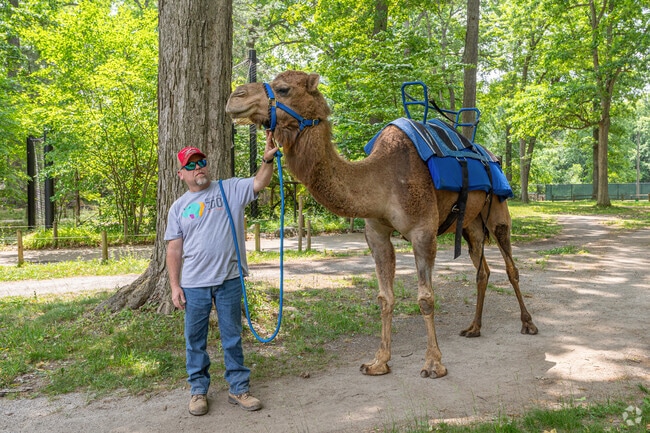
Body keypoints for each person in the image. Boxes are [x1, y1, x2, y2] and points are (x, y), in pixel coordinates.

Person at [164, 130, 278, 416]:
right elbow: (174, 250)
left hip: (229, 280)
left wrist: (266, 160)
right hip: (194, 285)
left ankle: (238, 388)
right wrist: (175, 286)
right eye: (190, 165)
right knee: (195, 340)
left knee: (232, 336)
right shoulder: (178, 208)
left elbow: (259, 183)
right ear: (181, 174)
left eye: (201, 162)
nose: (198, 168)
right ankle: (198, 391)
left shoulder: (229, 189)